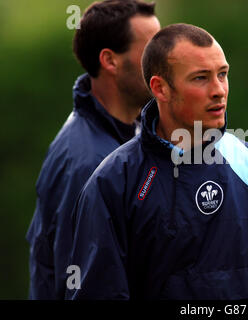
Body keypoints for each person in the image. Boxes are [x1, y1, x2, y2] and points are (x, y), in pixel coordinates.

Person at [66, 23, 248, 299]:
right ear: (160, 88)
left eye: (223, 74)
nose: (219, 90)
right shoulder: (113, 183)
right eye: (201, 78)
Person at [26, 0, 161, 299]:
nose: (164, 61)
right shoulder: (86, 164)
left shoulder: (135, 133)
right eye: (152, 50)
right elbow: (84, 287)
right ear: (110, 61)